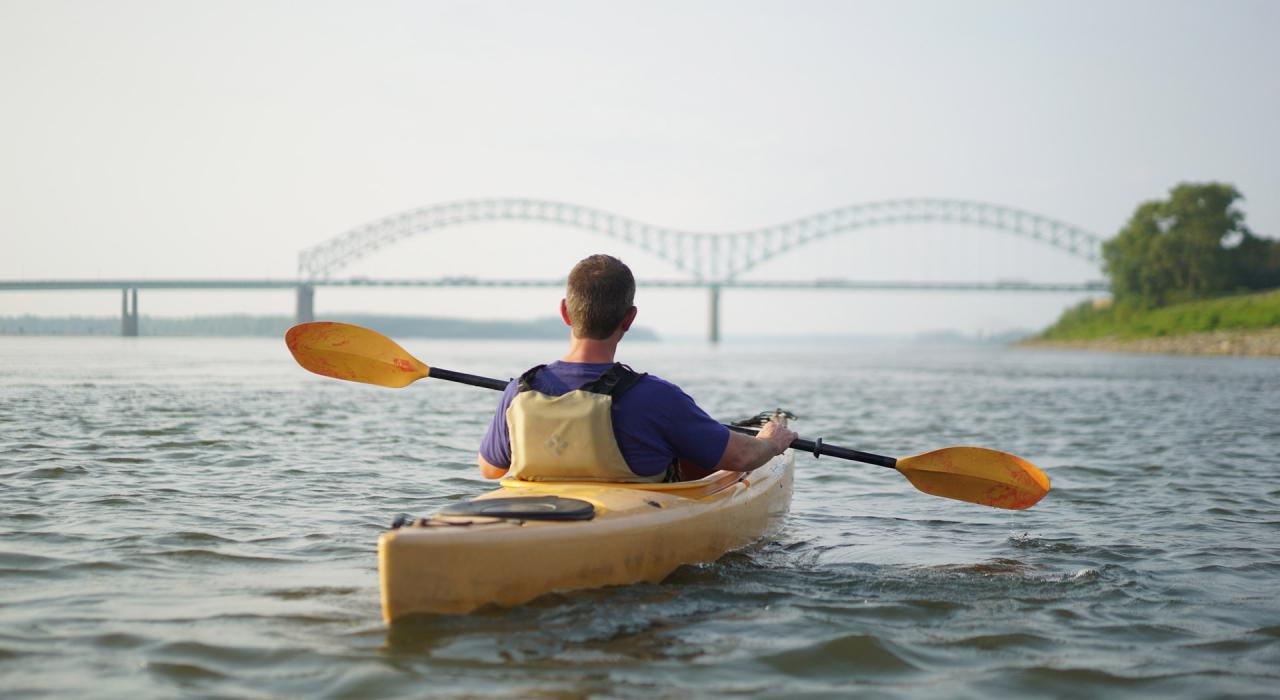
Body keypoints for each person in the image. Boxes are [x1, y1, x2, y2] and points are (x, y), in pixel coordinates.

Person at [478, 254, 796, 482]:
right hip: (627, 526)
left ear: (564, 312)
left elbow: (491, 469)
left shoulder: (519, 392)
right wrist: (770, 442)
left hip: (532, 520)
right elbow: (741, 457)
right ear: (629, 319)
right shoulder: (656, 398)